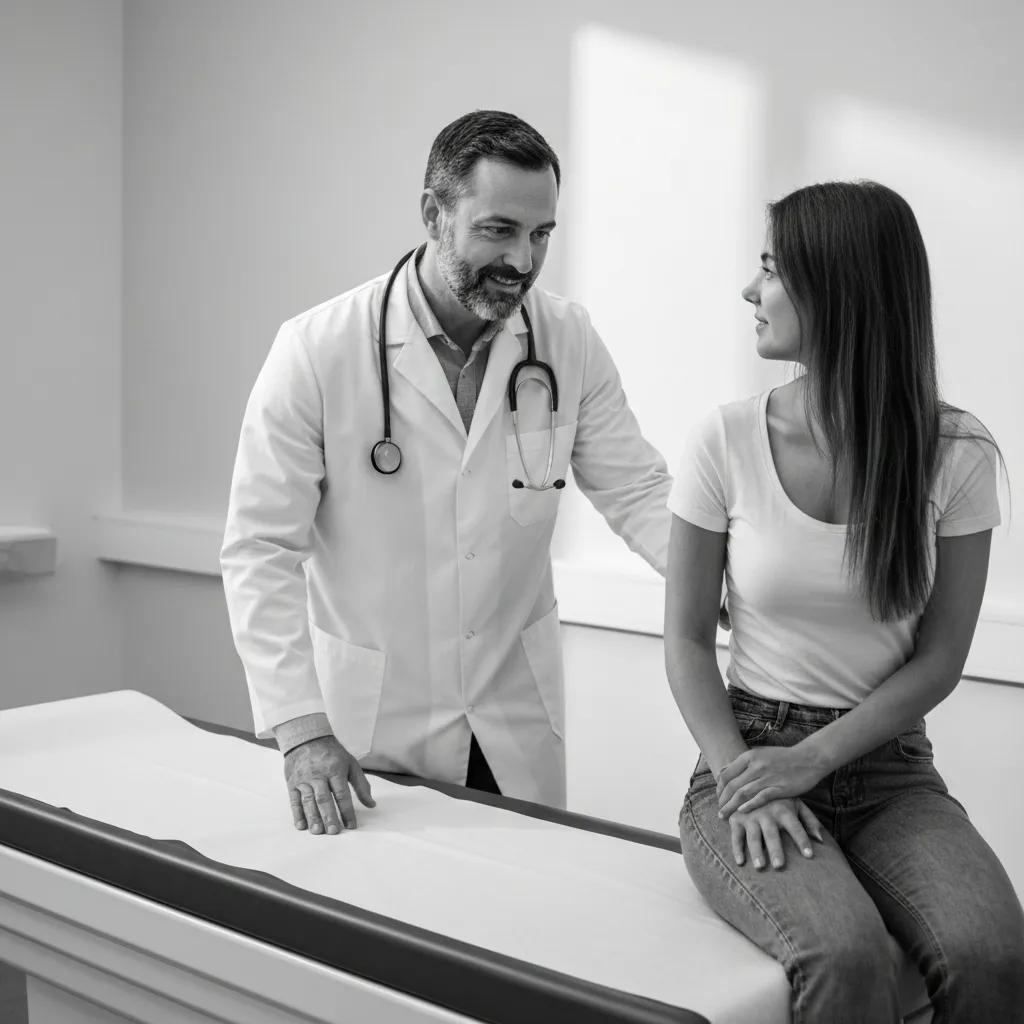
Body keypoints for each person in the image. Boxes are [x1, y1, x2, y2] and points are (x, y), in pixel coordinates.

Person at [221, 110, 672, 836]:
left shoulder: (566, 339)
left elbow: (639, 490)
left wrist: (733, 581)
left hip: (511, 720)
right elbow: (258, 548)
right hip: (365, 732)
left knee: (516, 921)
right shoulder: (316, 350)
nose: (523, 261)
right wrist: (301, 728)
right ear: (434, 214)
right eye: (499, 230)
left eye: (541, 235)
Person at [664, 180, 1024, 1022]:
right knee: (847, 957)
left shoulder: (957, 452)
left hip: (890, 771)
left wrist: (815, 760)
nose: (750, 293)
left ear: (838, 288)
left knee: (996, 954)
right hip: (745, 756)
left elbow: (939, 660)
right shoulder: (723, 438)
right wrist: (749, 777)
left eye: (770, 271)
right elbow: (684, 640)